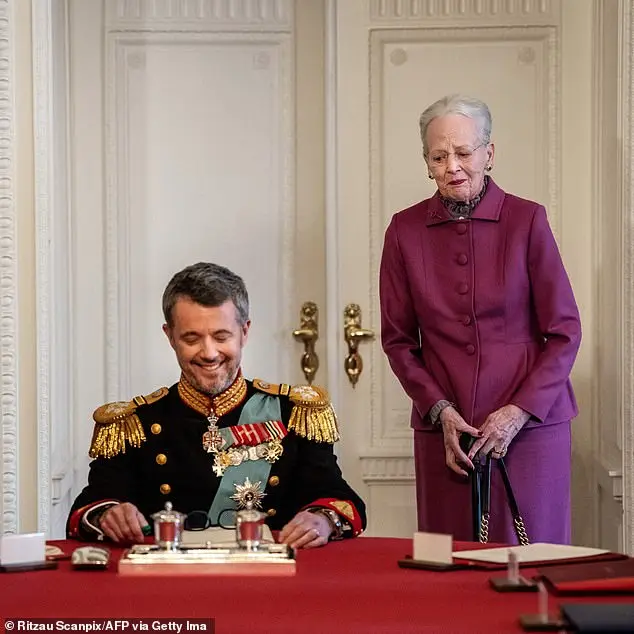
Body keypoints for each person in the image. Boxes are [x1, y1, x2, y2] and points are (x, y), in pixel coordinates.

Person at [379, 94, 581, 544]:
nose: (452, 165)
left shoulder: (527, 220)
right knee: (448, 567)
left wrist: (518, 411)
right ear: (427, 162)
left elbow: (564, 331)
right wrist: (440, 410)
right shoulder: (403, 231)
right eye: (439, 155)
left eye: (464, 152)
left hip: (530, 429)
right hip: (447, 434)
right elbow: (397, 341)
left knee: (530, 569)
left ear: (489, 154)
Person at [68, 262, 366, 548]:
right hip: (168, 584)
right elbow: (88, 508)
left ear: (244, 332)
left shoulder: (294, 414)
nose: (209, 353)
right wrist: (108, 515)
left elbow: (339, 499)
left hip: (266, 583)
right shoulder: (134, 425)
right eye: (191, 338)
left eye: (221, 336)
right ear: (170, 337)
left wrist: (323, 520)